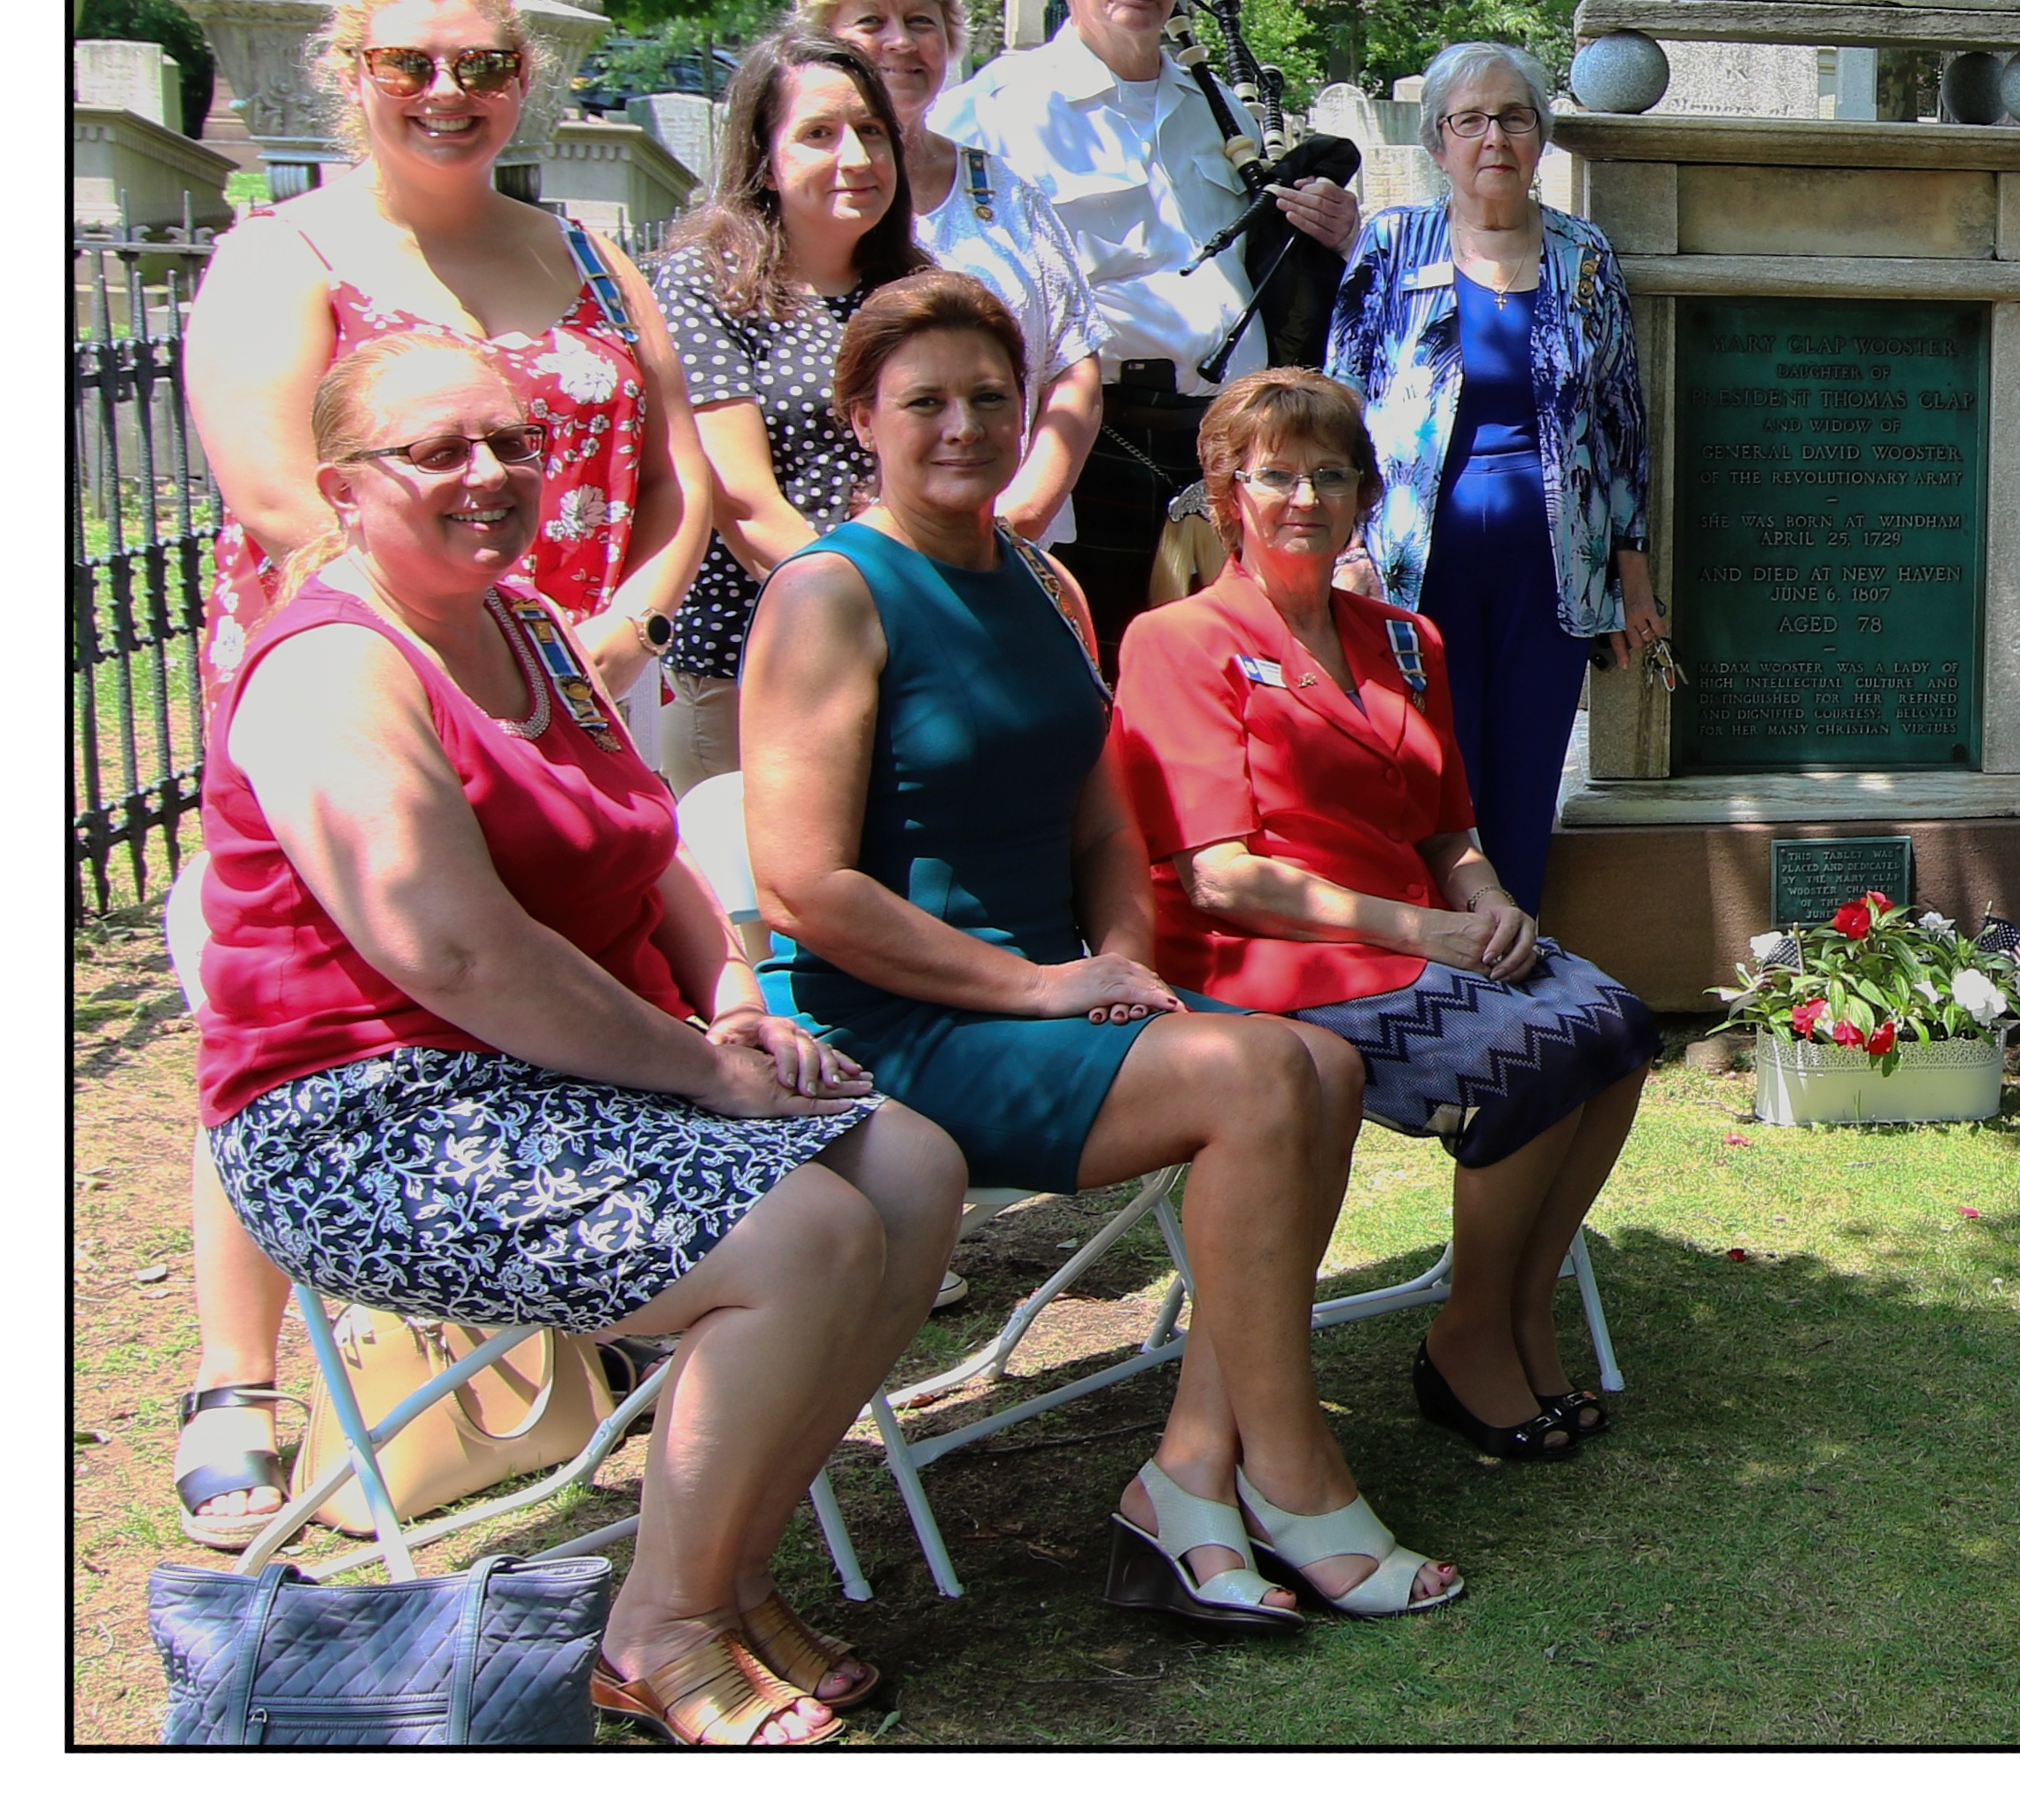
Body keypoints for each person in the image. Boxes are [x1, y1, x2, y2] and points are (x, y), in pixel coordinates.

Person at [194, 331, 958, 1746]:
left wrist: (733, 998)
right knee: (803, 1237)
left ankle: (715, 1578)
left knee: (908, 1167)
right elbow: (456, 951)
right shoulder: (329, 673)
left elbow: (647, 851)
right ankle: (657, 1629)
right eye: (437, 452)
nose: (489, 475)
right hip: (366, 1115)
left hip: (574, 1071)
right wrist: (705, 1072)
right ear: (341, 487)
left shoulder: (531, 619)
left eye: (511, 442)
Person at [743, 276, 1458, 1625]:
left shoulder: (1038, 577)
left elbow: (1103, 827)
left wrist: (1124, 963)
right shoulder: (829, 594)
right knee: (1259, 1078)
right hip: (892, 1019)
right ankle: (1286, 1478)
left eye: (990, 397)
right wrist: (1038, 983)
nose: (964, 425)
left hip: (1049, 1000)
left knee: (1324, 1068)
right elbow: (801, 884)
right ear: (861, 419)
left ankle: (1185, 1474)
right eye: (926, 402)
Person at [174, 0, 718, 1553]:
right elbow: (284, 494)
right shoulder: (285, 256)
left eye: (482, 64)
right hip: (370, 689)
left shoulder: (589, 254)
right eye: (411, 62)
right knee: (309, 999)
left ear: (523, 81)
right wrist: (447, 653)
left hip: (566, 678)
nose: (450, 91)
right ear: (348, 75)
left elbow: (676, 476)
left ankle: (597, 1293)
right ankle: (235, 1379)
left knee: (588, 956)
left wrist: (613, 623)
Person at [1111, 368, 1657, 1460]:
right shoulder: (1179, 643)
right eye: (1275, 477)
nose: (1304, 498)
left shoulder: (1406, 641)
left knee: (1621, 1029)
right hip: (1262, 953)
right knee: (1539, 1053)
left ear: (1368, 493)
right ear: (1227, 496)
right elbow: (1221, 878)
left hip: (1420, 932)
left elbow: (1447, 830)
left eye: (1331, 475)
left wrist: (1491, 902)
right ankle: (1465, 1340)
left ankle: (1516, 1307)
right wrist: (1427, 934)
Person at [932, 0, 1362, 642]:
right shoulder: (993, 112)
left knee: (1234, 682)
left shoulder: (1214, 103)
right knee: (1097, 682)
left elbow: (1255, 256)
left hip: (1231, 442)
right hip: (1096, 449)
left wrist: (1328, 226)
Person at [1322, 41, 1663, 913]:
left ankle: (1518, 969)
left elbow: (1622, 420)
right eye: (1470, 121)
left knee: (1523, 767)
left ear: (1540, 136)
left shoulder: (1584, 257)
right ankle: (1437, 966)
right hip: (1411, 565)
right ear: (1438, 142)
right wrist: (1347, 546)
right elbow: (1338, 407)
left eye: (1514, 117)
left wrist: (1632, 570)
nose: (1494, 139)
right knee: (1431, 767)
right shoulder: (1392, 246)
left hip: (1550, 567)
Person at [643, 32, 926, 785]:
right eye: (818, 134)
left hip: (910, 660)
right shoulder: (704, 284)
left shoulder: (918, 288)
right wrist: (890, 618)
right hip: (757, 668)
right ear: (764, 157)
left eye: (872, 131)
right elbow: (742, 503)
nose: (857, 158)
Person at [793, 0, 1108, 546]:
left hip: (1001, 550)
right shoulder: (791, 202)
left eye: (920, 21)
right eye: (870, 21)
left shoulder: (1006, 192)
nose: (901, 42)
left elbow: (1074, 368)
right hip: (824, 558)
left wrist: (1017, 520)